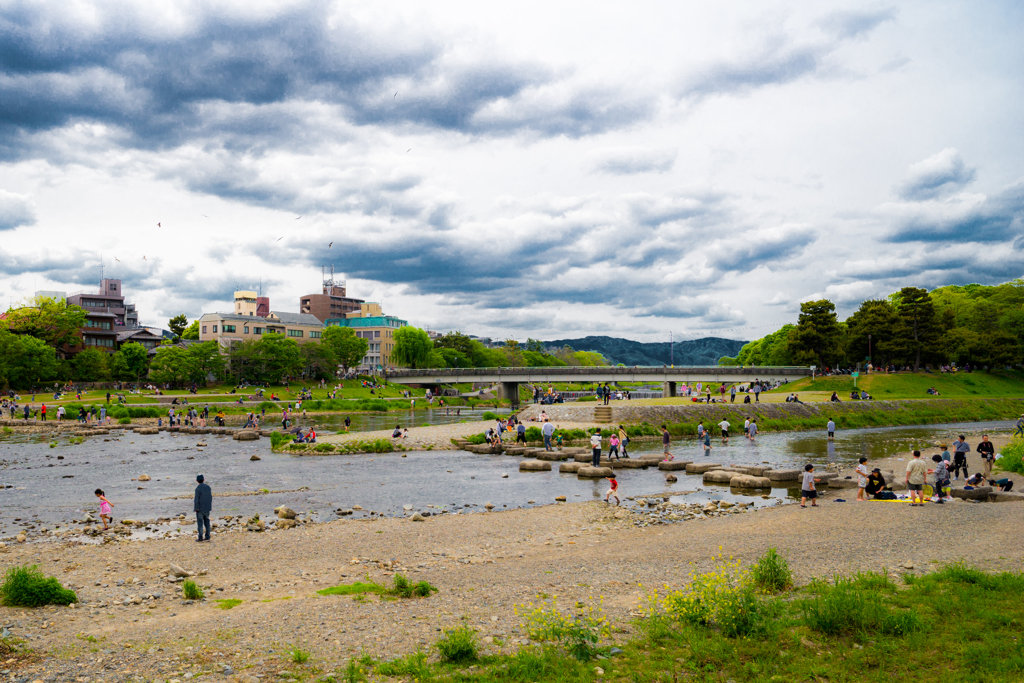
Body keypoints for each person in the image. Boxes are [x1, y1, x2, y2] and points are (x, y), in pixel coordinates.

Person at [194, 475, 212, 542]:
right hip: (207, 507)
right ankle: (207, 536)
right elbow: (210, 497)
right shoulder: (208, 487)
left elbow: (196, 499)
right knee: (207, 522)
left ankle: (200, 537)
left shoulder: (198, 489)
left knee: (200, 523)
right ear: (204, 480)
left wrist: (196, 508)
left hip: (200, 509)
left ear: (197, 481)